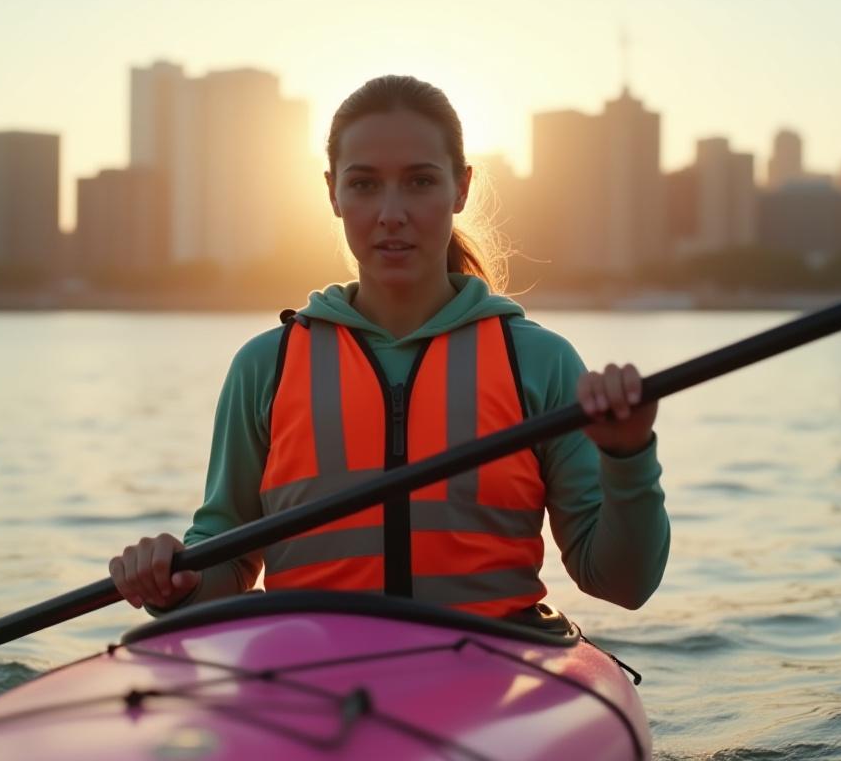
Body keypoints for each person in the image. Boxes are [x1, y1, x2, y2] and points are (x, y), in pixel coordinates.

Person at [109, 75, 669, 619]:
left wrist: (627, 455)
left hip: (490, 676)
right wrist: (173, 583)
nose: (391, 213)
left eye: (421, 181)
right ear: (332, 192)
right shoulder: (266, 366)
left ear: (462, 188)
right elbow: (224, 566)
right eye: (364, 183)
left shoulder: (540, 363)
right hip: (308, 682)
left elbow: (623, 583)